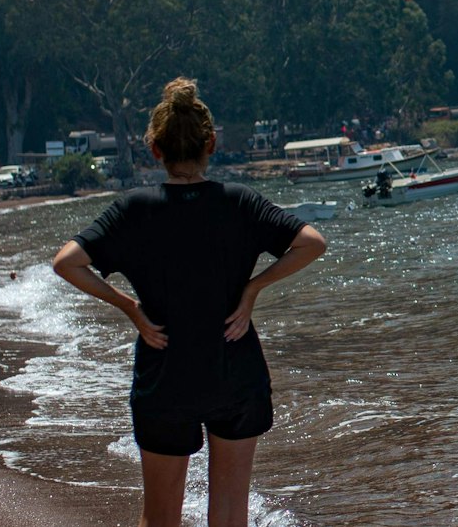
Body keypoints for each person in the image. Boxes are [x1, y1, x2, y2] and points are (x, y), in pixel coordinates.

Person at [52, 78, 328, 527]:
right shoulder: (239, 202)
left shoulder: (134, 209)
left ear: (155, 149)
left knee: (161, 519)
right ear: (211, 144)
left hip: (165, 374)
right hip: (234, 369)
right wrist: (252, 289)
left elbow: (67, 262)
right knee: (230, 516)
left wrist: (130, 308)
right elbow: (312, 243)